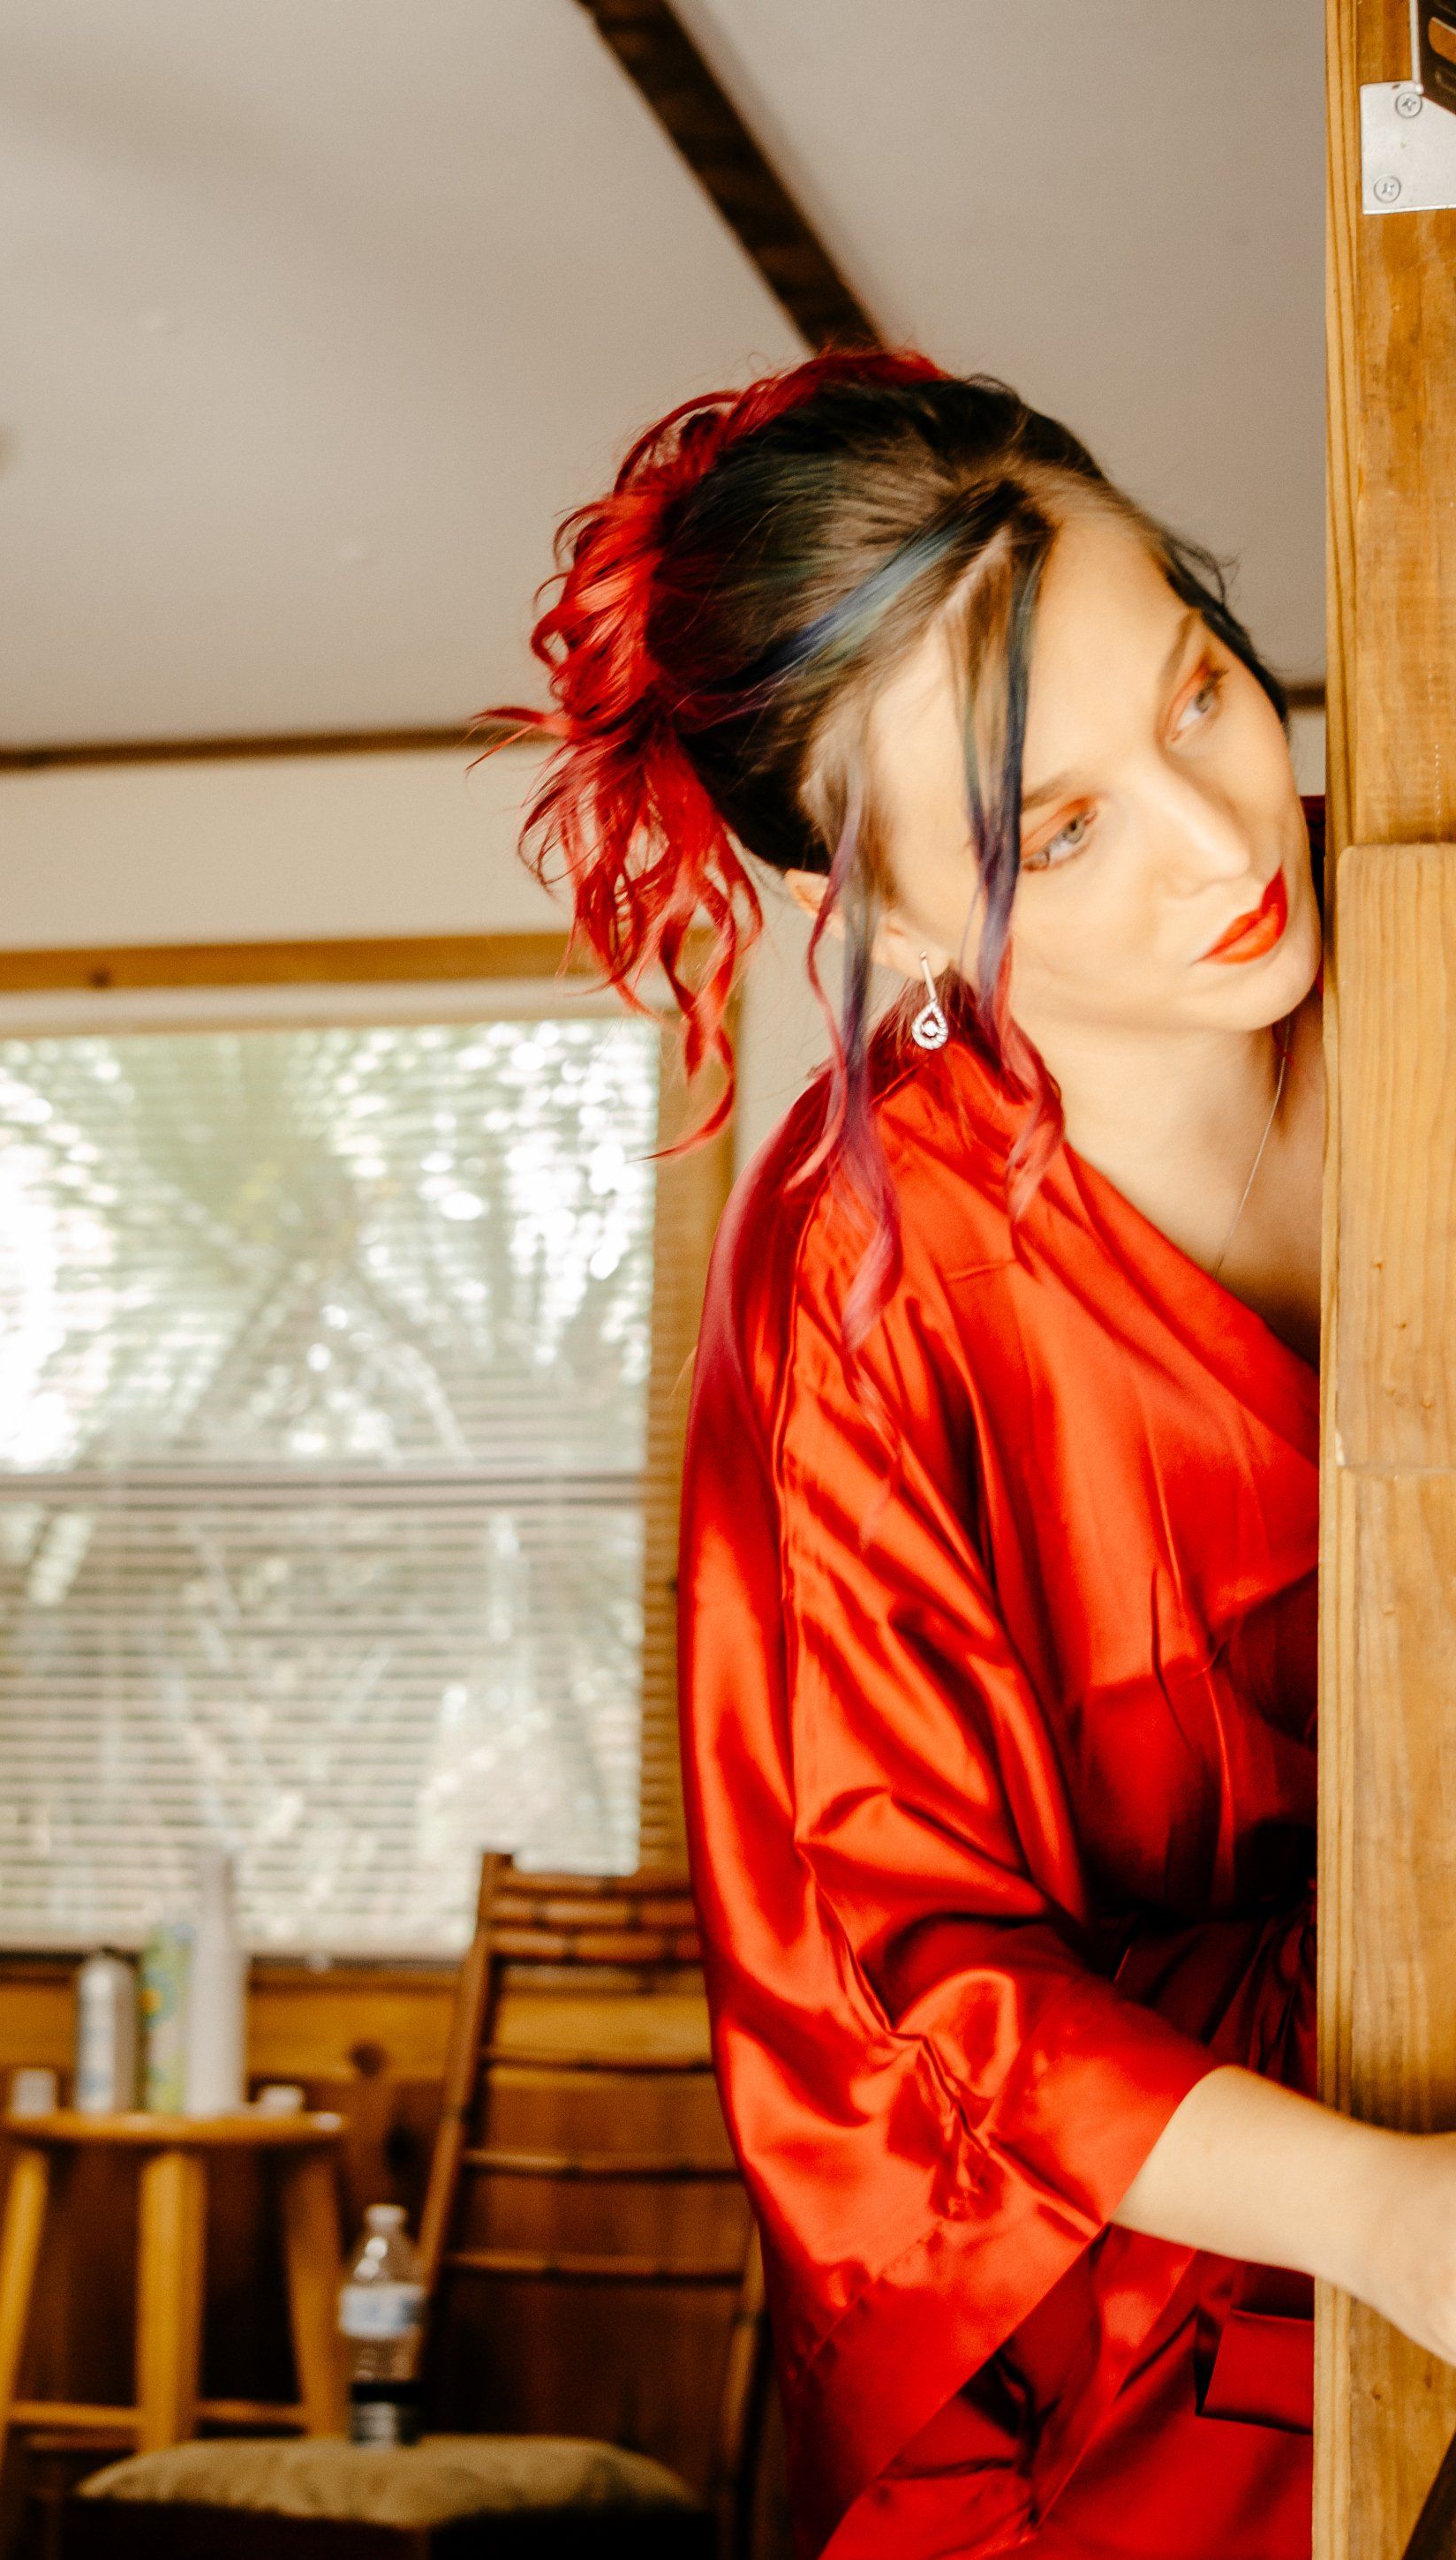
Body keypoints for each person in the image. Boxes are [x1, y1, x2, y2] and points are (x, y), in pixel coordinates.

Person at [499, 350, 1456, 2560]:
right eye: (1062, 829)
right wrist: (1389, 2214)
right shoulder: (860, 1264)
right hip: (1157, 2246)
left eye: (1202, 692)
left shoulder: (1409, 937)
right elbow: (917, 1960)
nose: (1229, 845)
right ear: (902, 920)